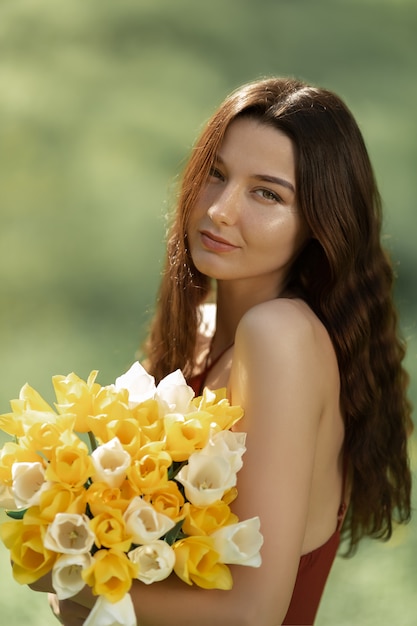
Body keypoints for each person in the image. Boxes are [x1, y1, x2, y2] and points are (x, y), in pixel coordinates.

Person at [35, 76, 413, 625]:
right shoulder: (203, 332)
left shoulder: (280, 336)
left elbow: (252, 612)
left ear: (319, 224)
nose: (220, 210)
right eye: (215, 173)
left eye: (267, 193)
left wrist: (82, 590)